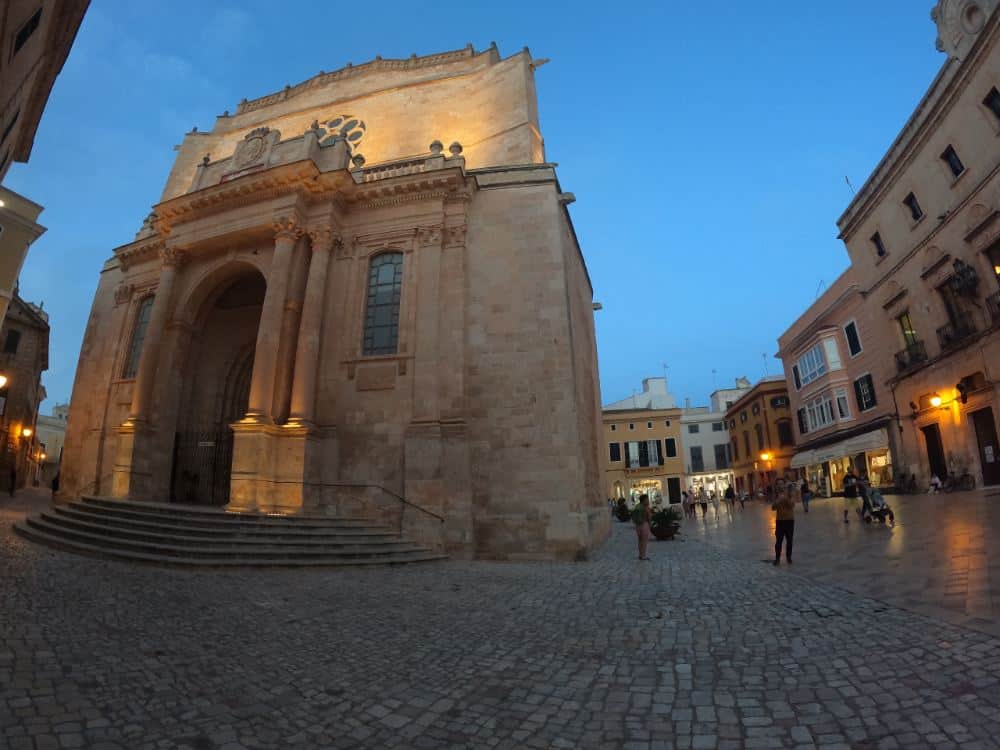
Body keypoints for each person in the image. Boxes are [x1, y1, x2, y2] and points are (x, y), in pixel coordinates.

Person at [771, 479, 796, 565]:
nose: (780, 486)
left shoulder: (790, 493)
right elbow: (773, 507)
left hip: (789, 520)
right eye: (778, 484)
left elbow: (792, 505)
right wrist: (778, 500)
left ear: (784, 485)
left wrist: (785, 498)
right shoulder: (776, 495)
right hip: (780, 521)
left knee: (789, 540)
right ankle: (777, 558)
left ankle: (789, 557)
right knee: (779, 541)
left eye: (782, 484)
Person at [633, 494, 652, 560]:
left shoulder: (637, 506)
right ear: (644, 500)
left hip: (637, 526)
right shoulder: (646, 507)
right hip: (644, 524)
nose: (648, 500)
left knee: (640, 540)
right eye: (647, 499)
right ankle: (643, 556)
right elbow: (649, 517)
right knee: (644, 541)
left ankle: (640, 554)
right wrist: (650, 525)